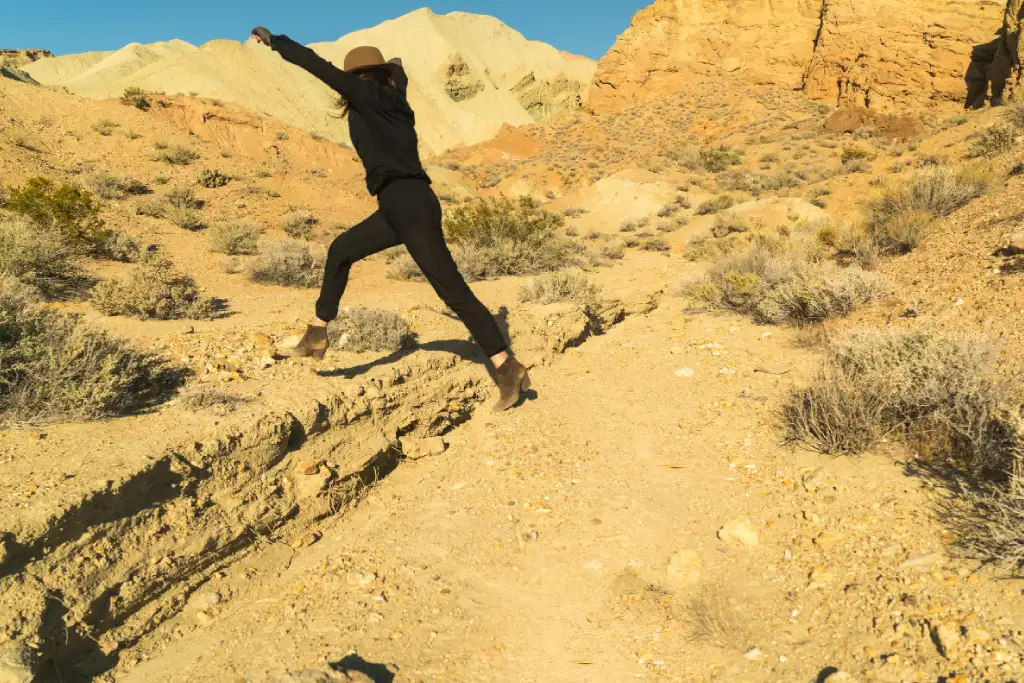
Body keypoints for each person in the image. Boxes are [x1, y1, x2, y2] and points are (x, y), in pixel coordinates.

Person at [248, 27, 530, 411]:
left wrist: (276, 41)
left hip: (407, 203)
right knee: (341, 250)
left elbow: (317, 66)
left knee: (452, 291)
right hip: (399, 205)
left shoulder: (368, 95)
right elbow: (401, 77)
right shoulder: (396, 99)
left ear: (360, 77)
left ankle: (505, 366)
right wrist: (396, 68)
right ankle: (316, 332)